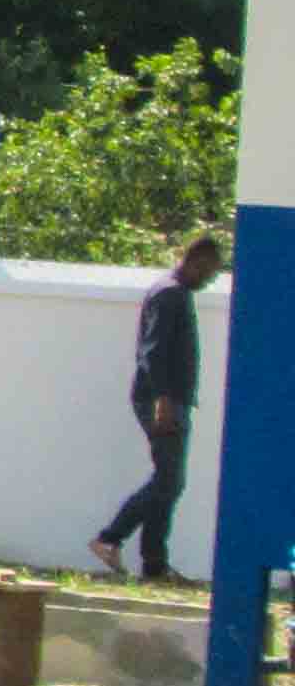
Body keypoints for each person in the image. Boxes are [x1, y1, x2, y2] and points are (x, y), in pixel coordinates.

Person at [93, 231, 225, 583]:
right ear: (196, 261)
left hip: (169, 400)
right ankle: (110, 538)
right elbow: (153, 352)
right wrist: (163, 399)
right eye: (210, 271)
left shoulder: (175, 293)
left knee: (168, 482)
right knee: (169, 481)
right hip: (162, 401)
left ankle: (154, 565)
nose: (210, 279)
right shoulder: (170, 294)